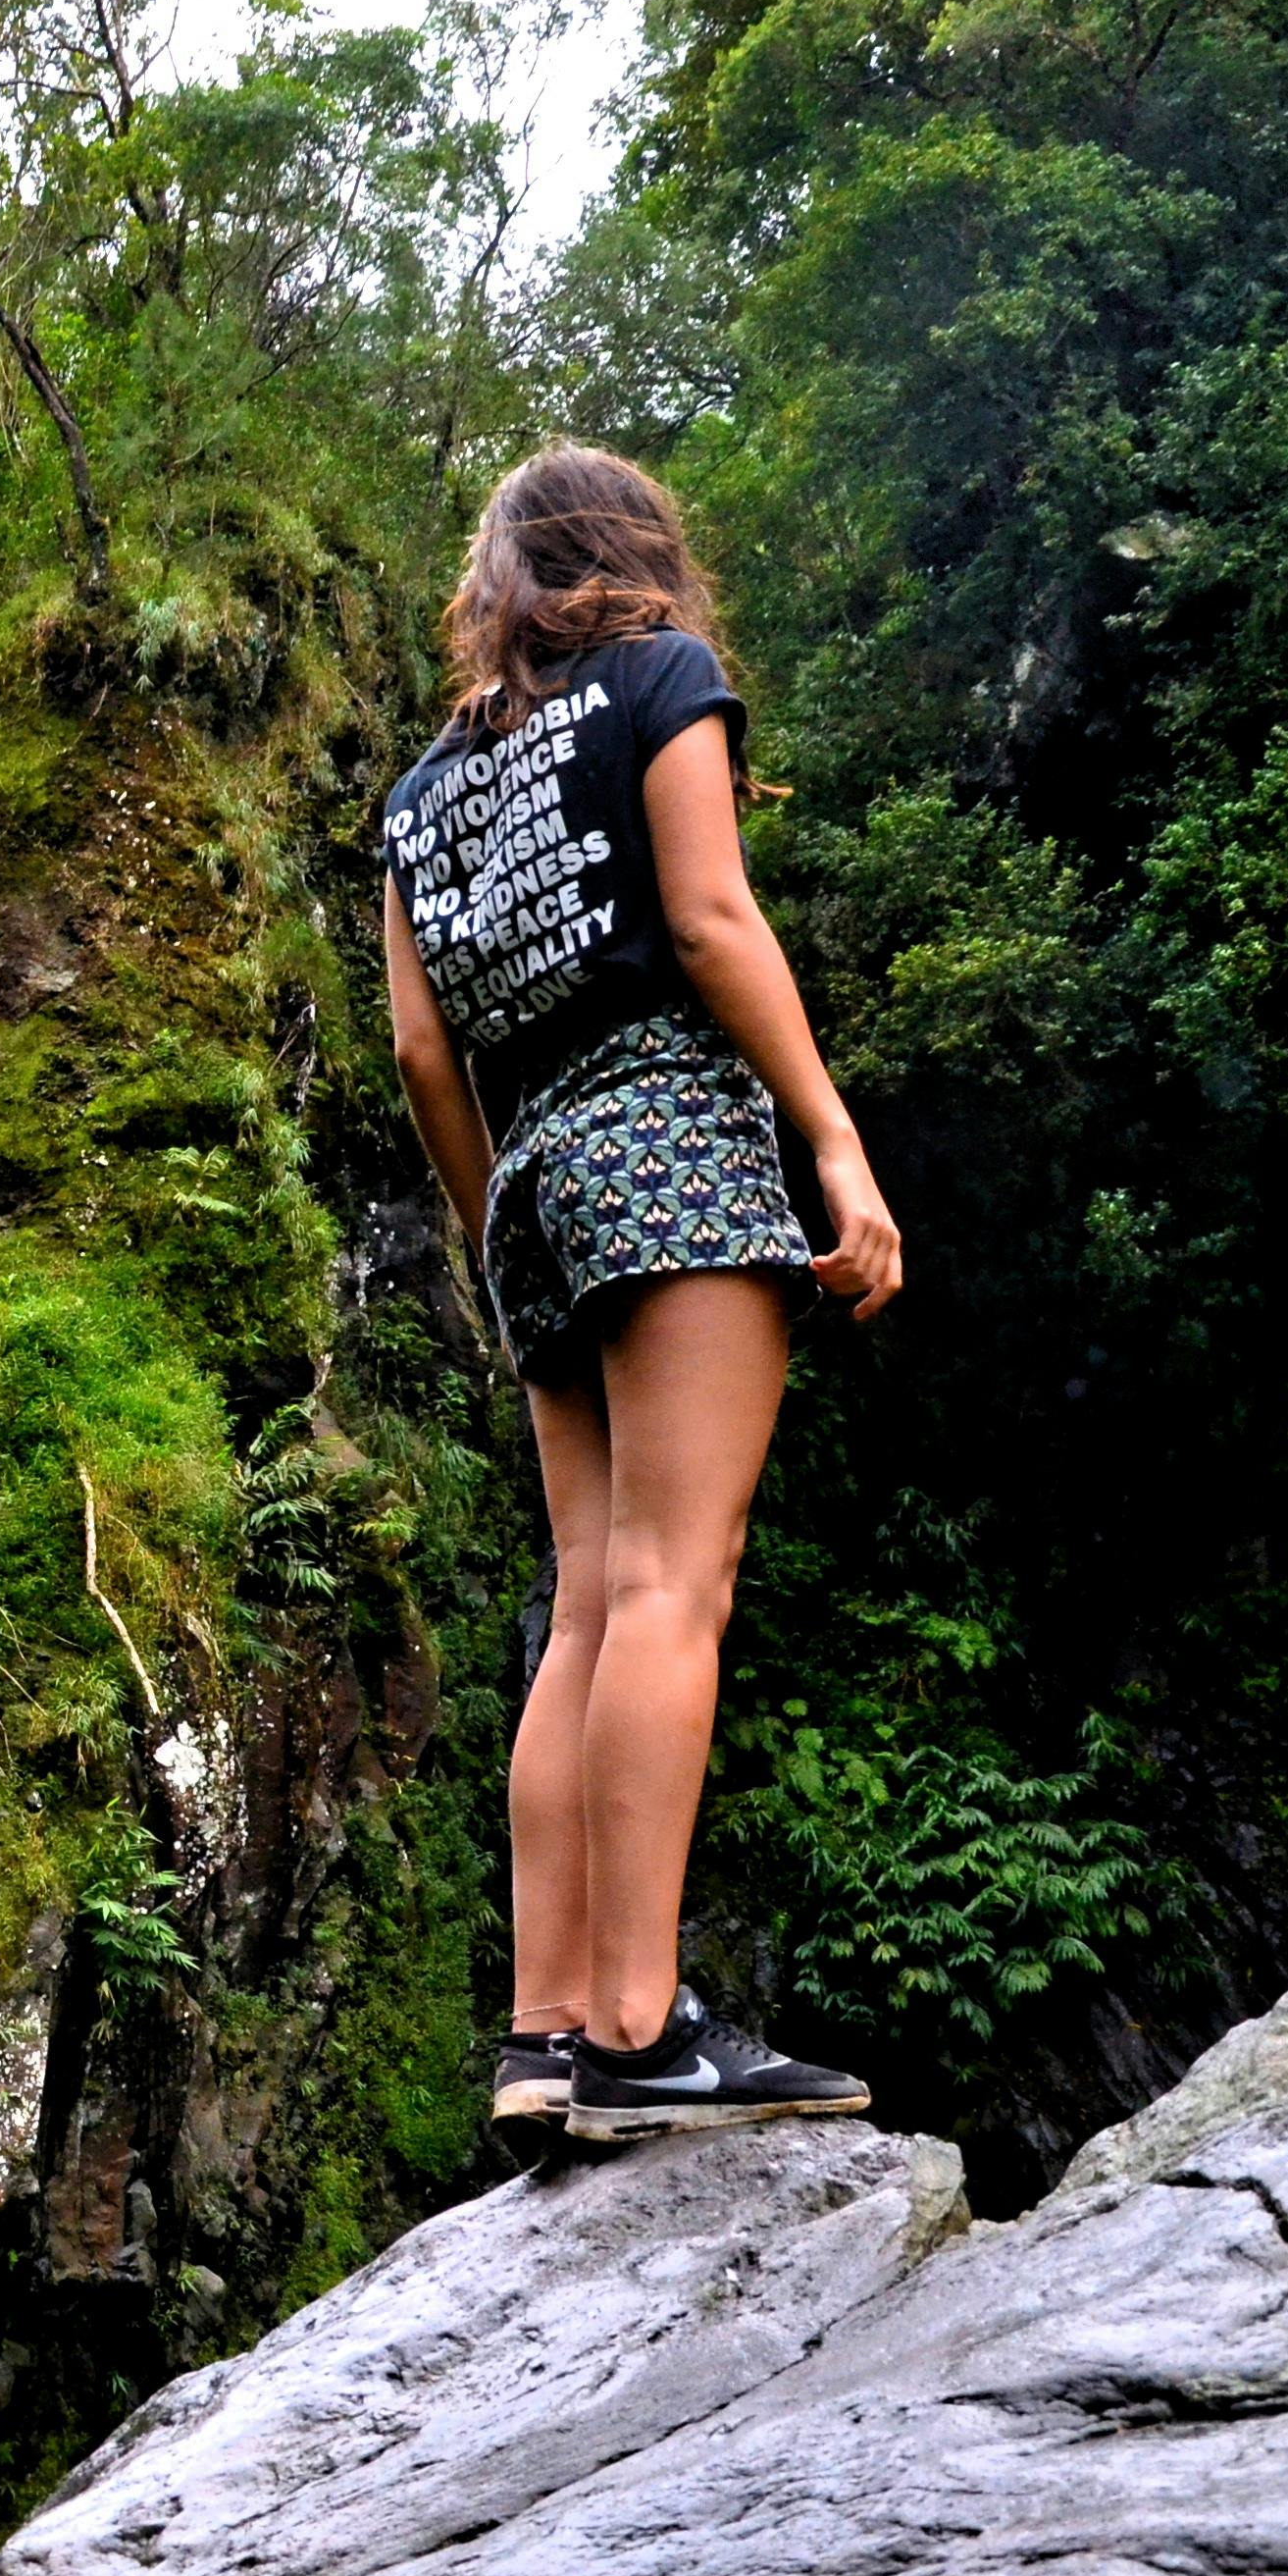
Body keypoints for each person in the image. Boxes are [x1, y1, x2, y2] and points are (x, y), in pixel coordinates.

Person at [379, 445, 905, 2142]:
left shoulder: (417, 795)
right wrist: (837, 1147)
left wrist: (495, 1235)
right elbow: (708, 915)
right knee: (682, 1582)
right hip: (670, 1140)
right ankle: (637, 2030)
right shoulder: (662, 681)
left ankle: (544, 2037)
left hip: (529, 1182)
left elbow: (418, 1054)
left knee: (591, 1601)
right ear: (635, 554)